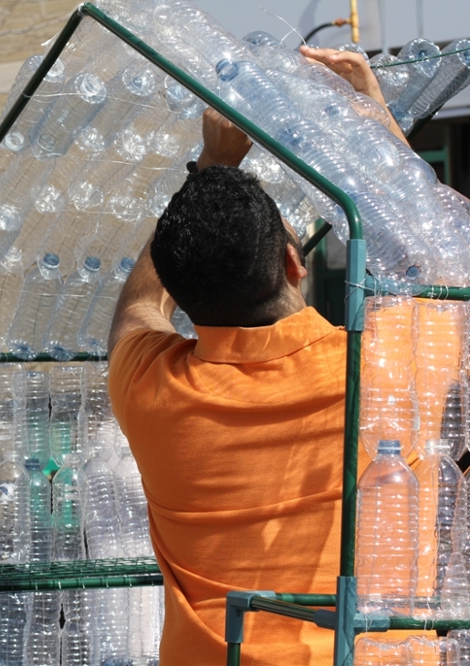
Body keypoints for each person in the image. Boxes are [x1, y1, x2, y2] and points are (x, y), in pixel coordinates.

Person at [107, 47, 410, 665]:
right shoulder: (385, 368)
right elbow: (439, 265)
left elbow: (138, 307)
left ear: (184, 297)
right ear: (296, 266)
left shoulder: (151, 387)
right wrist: (377, 128)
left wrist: (213, 163)